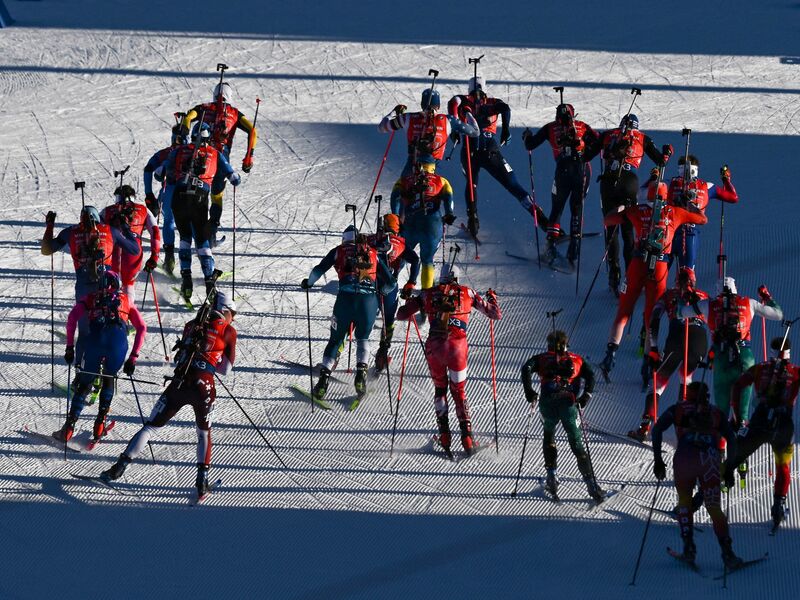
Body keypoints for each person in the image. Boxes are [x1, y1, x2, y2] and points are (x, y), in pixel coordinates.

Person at [100, 291, 237, 498]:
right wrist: (209, 363)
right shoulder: (229, 331)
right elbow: (226, 369)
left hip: (180, 383)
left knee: (151, 427)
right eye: (232, 313)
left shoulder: (191, 324)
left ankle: (118, 468)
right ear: (225, 311)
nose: (233, 318)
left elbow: (180, 357)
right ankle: (201, 482)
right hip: (204, 386)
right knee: (203, 434)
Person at [599, 191, 707, 384]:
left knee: (624, 311)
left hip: (638, 263)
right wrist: (687, 205)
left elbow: (608, 220)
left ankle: (610, 354)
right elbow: (702, 219)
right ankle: (648, 365)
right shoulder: (675, 211)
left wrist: (623, 207)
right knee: (651, 316)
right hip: (660, 267)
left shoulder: (638, 210)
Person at [396, 264, 501, 454]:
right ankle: (467, 438)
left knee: (440, 389)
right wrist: (492, 298)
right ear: (457, 278)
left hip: (435, 346)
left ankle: (444, 435)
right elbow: (495, 314)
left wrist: (411, 302)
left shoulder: (428, 294)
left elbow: (401, 315)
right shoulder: (467, 292)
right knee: (459, 391)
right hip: (457, 347)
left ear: (441, 277)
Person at [651, 381, 741, 568]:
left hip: (684, 458)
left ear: (688, 394)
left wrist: (658, 459)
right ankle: (728, 554)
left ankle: (689, 549)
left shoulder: (677, 408)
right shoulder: (716, 412)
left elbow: (657, 429)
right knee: (714, 507)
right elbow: (732, 440)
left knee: (684, 500)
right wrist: (730, 467)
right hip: (710, 460)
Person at [301, 226, 395, 400]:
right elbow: (391, 282)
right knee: (363, 338)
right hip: (368, 302)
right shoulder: (373, 252)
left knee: (336, 339)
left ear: (344, 239)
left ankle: (323, 382)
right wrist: (381, 291)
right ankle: (361, 374)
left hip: (345, 300)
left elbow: (318, 270)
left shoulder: (339, 251)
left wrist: (308, 283)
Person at [583, 114, 672, 294]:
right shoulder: (642, 137)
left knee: (611, 226)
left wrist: (591, 142)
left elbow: (586, 156)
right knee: (628, 229)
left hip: (609, 182)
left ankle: (613, 276)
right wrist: (667, 152)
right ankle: (630, 277)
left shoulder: (609, 134)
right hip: (629, 181)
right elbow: (660, 161)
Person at [54, 271, 146, 443]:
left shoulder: (91, 297)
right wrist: (133, 357)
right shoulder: (126, 300)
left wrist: (69, 347)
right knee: (109, 378)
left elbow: (72, 318)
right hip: (118, 345)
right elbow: (141, 327)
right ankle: (100, 425)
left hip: (95, 342)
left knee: (85, 382)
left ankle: (68, 428)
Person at [678, 278, 783, 430]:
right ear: (735, 288)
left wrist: (684, 297)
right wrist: (767, 298)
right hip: (744, 356)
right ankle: (741, 435)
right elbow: (778, 314)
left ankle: (721, 447)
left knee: (721, 409)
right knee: (743, 407)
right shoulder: (749, 303)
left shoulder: (708, 304)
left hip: (721, 356)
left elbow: (680, 313)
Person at [41, 205, 140, 364]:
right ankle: (106, 370)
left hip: (84, 288)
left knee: (85, 332)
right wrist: (126, 227)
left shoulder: (71, 232)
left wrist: (50, 226)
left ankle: (80, 372)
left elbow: (46, 249)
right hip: (106, 288)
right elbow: (135, 250)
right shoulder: (110, 231)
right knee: (108, 327)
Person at [447, 77, 541, 236]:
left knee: (471, 184)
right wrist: (505, 130)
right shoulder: (491, 101)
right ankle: (545, 223)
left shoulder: (464, 101)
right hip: (490, 150)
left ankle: (473, 220)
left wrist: (456, 128)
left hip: (470, 150)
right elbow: (505, 108)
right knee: (513, 185)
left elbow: (453, 104)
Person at [157, 122, 240, 299]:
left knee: (185, 237)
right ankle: (209, 281)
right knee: (201, 240)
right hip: (199, 198)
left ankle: (186, 279)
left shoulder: (178, 150)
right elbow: (234, 177)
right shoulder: (215, 153)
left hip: (179, 197)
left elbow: (159, 173)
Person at [520, 330, 604, 502]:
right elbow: (591, 375)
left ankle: (551, 476)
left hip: (547, 403)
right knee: (576, 441)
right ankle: (591, 485)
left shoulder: (542, 358)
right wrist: (586, 395)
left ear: (549, 345)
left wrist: (529, 391)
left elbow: (526, 368)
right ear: (566, 345)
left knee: (549, 435)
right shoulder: (577, 359)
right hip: (568, 404)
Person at [729, 337, 799, 531]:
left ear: (771, 350)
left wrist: (737, 416)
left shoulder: (760, 368)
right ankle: (778, 508)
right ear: (789, 353)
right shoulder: (795, 372)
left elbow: (738, 385)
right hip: (783, 425)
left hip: (759, 422)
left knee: (734, 459)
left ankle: (699, 499)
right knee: (783, 466)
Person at [632, 268, 709, 440]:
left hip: (677, 336)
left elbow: (654, 320)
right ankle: (684, 429)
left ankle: (645, 425)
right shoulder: (704, 295)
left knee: (658, 383)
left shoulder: (668, 295)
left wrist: (652, 348)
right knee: (686, 379)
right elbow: (715, 318)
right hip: (700, 341)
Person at [521, 103, 600, 264]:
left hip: (563, 170)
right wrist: (585, 150)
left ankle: (550, 247)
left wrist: (526, 136)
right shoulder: (582, 126)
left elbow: (530, 145)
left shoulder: (550, 128)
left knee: (557, 207)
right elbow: (599, 142)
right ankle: (574, 250)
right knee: (577, 207)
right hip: (582, 169)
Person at [181, 82, 257, 242]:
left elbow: (188, 118)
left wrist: (185, 134)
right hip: (221, 158)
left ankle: (192, 232)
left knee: (197, 192)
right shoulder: (235, 113)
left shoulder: (204, 107)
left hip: (201, 156)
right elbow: (252, 130)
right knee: (216, 195)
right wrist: (249, 156)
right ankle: (212, 231)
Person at [378, 88, 478, 176]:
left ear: (422, 104)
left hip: (412, 164)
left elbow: (382, 127)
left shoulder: (408, 118)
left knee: (402, 190)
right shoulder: (448, 120)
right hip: (433, 165)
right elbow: (475, 132)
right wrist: (468, 113)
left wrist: (394, 112)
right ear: (438, 106)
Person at [666, 158, 738, 276]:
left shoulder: (669, 183)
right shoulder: (707, 186)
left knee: (659, 275)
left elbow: (645, 192)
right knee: (687, 274)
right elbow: (733, 197)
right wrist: (726, 180)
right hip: (689, 232)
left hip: (669, 231)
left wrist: (655, 174)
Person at [368, 214, 419, 372]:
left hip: (369, 286)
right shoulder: (401, 243)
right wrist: (411, 282)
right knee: (388, 320)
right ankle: (382, 354)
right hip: (390, 289)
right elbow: (416, 260)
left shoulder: (372, 238)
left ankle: (335, 355)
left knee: (357, 318)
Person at [390, 162, 454, 289]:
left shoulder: (404, 179)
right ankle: (426, 293)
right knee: (427, 260)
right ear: (433, 167)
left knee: (402, 253)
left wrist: (396, 216)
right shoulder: (441, 180)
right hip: (432, 224)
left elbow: (394, 197)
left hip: (410, 223)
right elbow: (449, 198)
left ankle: (391, 281)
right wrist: (449, 214)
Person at [100, 184, 161, 302]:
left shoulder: (108, 210)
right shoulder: (143, 209)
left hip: (113, 253)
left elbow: (97, 229)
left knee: (112, 284)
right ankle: (127, 313)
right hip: (132, 252)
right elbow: (155, 232)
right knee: (128, 284)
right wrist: (154, 257)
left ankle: (114, 313)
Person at [143, 123, 186, 271]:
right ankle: (204, 258)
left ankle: (169, 258)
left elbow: (148, 169)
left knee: (169, 221)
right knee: (192, 224)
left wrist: (149, 193)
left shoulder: (165, 153)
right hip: (192, 193)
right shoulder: (194, 151)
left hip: (170, 191)